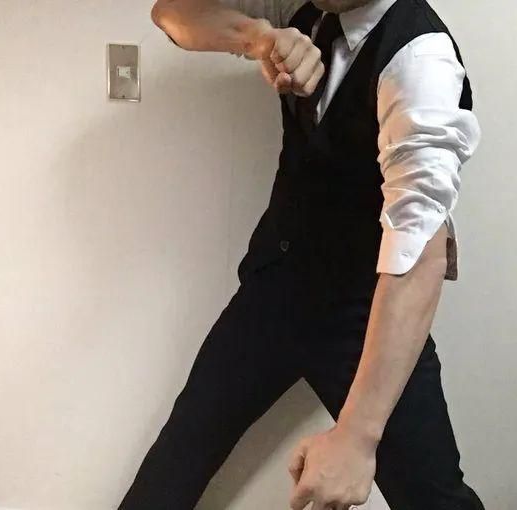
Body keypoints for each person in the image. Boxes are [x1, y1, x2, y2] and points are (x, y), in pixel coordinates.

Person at [118, 0, 484, 508]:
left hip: (364, 317)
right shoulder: (302, 6)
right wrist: (258, 38)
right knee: (173, 466)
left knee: (435, 499)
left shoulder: (421, 59)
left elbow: (420, 248)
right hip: (275, 287)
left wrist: (358, 436)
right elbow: (173, 14)